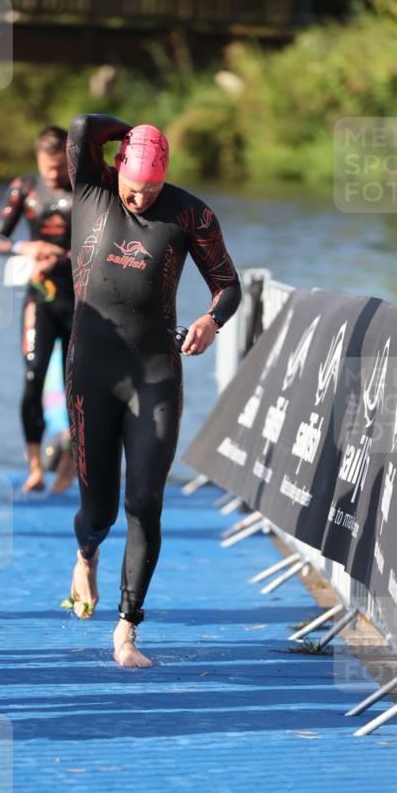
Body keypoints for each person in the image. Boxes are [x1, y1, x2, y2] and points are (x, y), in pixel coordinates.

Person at [65, 113, 241, 667]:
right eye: (133, 189)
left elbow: (228, 285)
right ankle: (86, 552)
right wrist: (133, 130)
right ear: (118, 167)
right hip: (91, 370)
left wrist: (212, 320)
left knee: (144, 501)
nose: (139, 200)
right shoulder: (92, 185)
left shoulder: (191, 212)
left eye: (151, 191)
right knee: (99, 509)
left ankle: (126, 628)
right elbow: (81, 125)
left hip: (154, 371)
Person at [0, 126, 76, 494]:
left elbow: (108, 243)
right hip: (39, 297)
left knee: (80, 383)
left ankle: (70, 466)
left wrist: (64, 255)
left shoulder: (86, 190)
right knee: (31, 380)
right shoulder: (24, 187)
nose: (54, 176)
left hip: (80, 298)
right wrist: (29, 248)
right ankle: (36, 466)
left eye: (59, 168)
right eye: (47, 168)